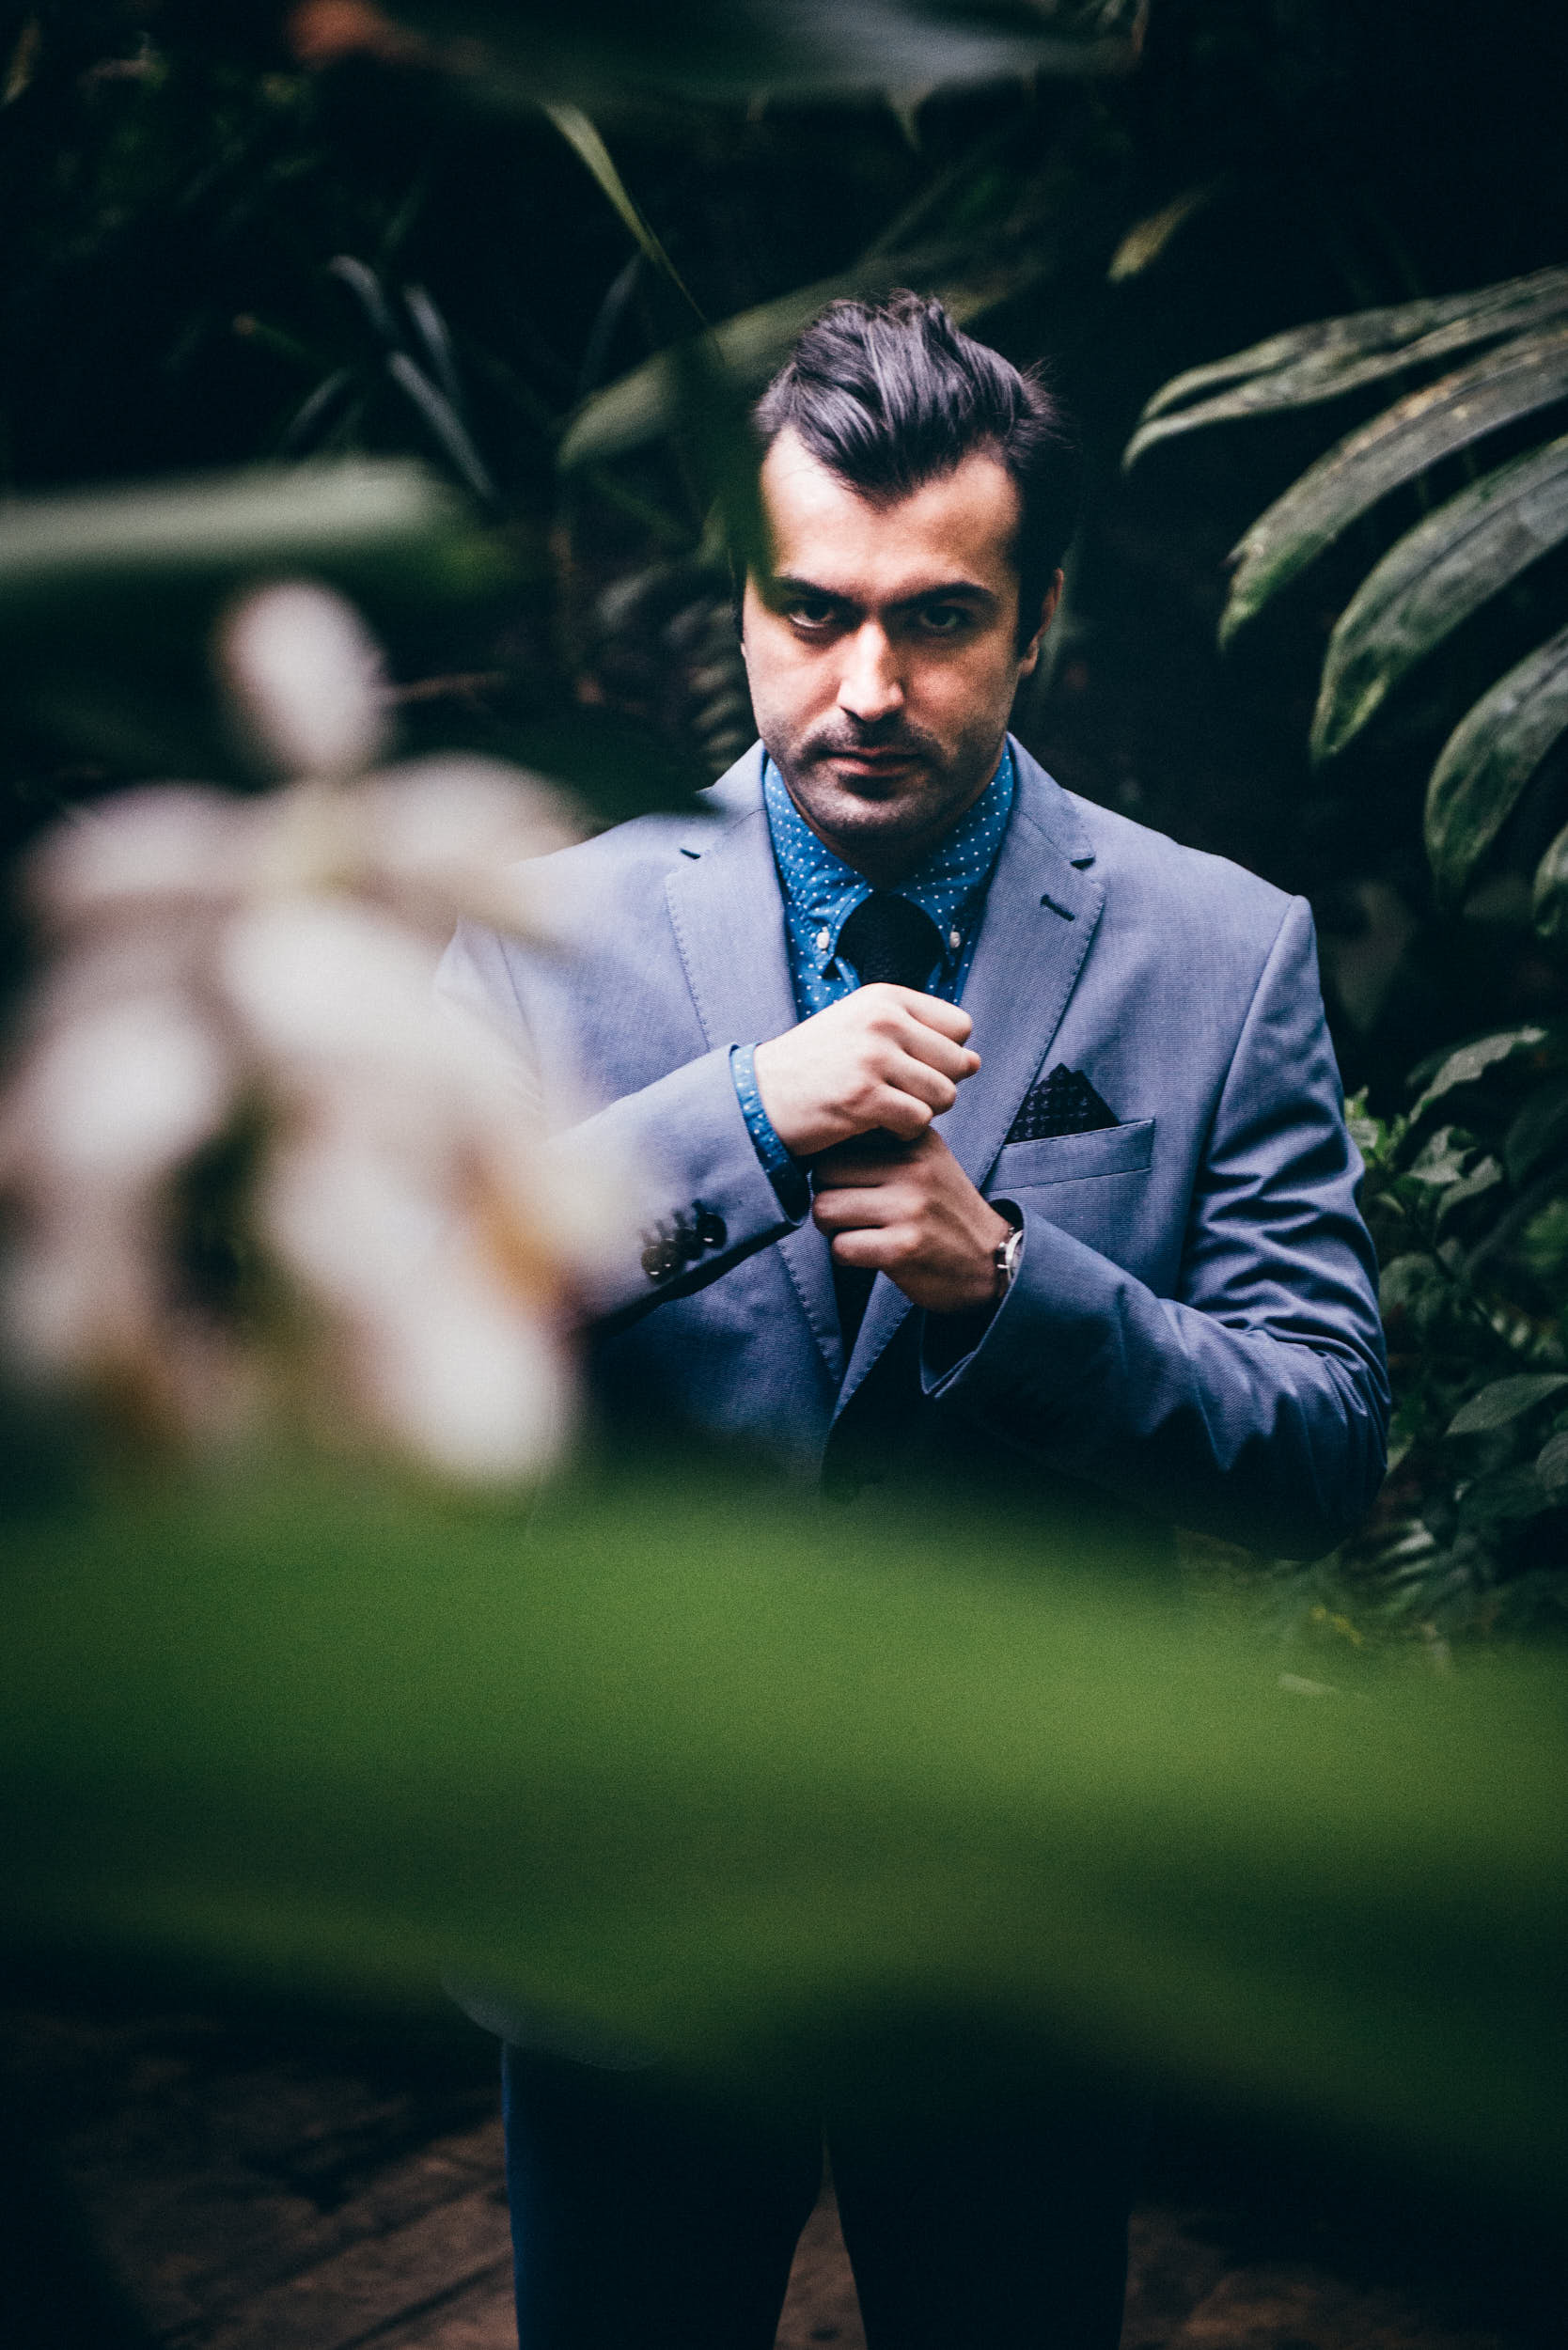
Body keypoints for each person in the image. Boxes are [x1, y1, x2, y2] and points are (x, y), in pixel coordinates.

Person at [441, 293, 1388, 2350]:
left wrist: (1014, 1289)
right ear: (746, 605)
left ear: (1037, 621)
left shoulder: (1223, 956)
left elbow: (1323, 1440)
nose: (867, 685)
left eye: (940, 618)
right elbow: (390, 1344)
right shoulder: (533, 931)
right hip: (633, 1929)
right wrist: (741, 1124)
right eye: (814, 611)